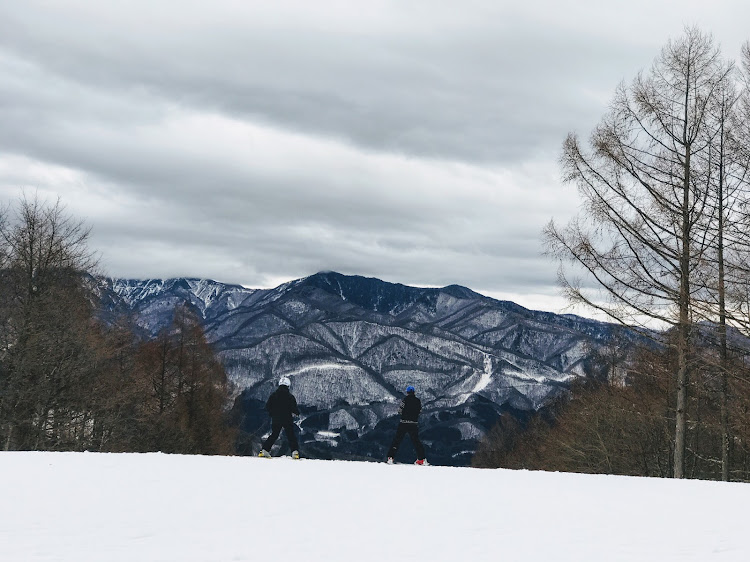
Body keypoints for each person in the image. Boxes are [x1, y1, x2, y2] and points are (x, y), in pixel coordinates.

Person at [258, 376, 301, 459]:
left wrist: (272, 413)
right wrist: (297, 412)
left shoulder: (273, 396)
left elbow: (267, 407)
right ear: (288, 386)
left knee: (274, 434)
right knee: (290, 435)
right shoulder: (290, 397)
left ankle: (264, 450)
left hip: (276, 419)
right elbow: (294, 409)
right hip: (287, 419)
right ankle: (295, 452)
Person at [387, 385, 428, 465]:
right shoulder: (418, 401)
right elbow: (420, 411)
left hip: (403, 423)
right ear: (414, 392)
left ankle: (391, 457)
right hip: (413, 423)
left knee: (397, 440)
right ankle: (422, 459)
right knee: (416, 441)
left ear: (407, 392)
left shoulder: (405, 400)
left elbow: (399, 411)